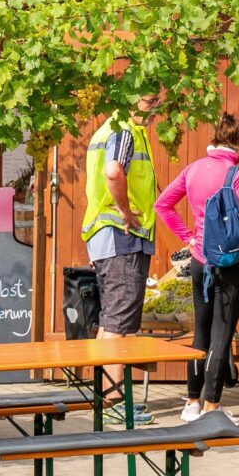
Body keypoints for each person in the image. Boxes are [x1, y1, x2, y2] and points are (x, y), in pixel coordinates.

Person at [154, 111, 239, 421]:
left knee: (200, 331)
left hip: (200, 261)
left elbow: (163, 204)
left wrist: (188, 237)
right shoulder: (238, 175)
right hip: (231, 264)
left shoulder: (193, 169)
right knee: (221, 335)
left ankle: (191, 404)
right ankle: (212, 406)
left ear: (215, 136)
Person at [82, 98, 160, 339]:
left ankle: (103, 368)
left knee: (110, 321)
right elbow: (113, 171)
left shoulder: (106, 129)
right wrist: (125, 211)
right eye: (150, 101)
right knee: (120, 328)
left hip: (106, 238)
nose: (156, 107)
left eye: (158, 100)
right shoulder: (124, 130)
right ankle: (113, 368)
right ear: (131, 99)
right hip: (122, 238)